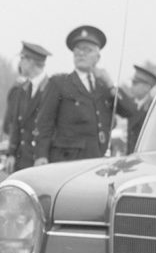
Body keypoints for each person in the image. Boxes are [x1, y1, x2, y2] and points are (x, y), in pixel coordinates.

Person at [34, 25, 132, 164]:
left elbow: (130, 110)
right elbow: (44, 122)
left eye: (87, 50)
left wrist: (111, 84)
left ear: (97, 57)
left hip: (98, 159)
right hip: (68, 161)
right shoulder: (59, 83)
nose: (81, 54)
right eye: (78, 49)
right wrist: (41, 155)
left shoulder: (104, 87)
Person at [4, 41, 51, 172]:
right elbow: (16, 124)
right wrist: (11, 153)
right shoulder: (22, 90)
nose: (20, 63)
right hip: (22, 159)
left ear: (31, 61)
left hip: (41, 160)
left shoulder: (51, 89)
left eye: (22, 58)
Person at [126, 65, 156, 153]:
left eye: (135, 83)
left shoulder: (154, 107)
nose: (131, 86)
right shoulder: (131, 104)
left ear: (147, 87)